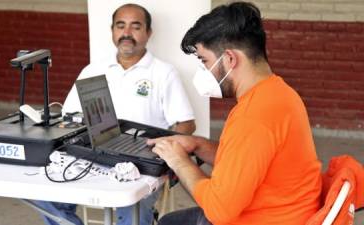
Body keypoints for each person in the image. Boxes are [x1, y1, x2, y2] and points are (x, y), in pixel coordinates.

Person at [148, 2, 322, 225]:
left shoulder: (253, 116)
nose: (203, 71)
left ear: (230, 59)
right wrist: (198, 145)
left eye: (204, 61)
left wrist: (179, 162)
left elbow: (219, 211)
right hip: (286, 211)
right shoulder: (279, 93)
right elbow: (248, 161)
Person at [34, 3, 196, 225]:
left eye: (135, 26)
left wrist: (163, 155)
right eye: (121, 26)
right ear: (112, 31)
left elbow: (187, 124)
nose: (127, 33)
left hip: (140, 164)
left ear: (148, 33)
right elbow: (69, 116)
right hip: (93, 156)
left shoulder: (164, 73)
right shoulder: (93, 70)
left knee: (131, 210)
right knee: (43, 195)